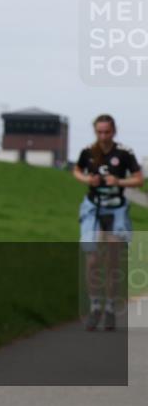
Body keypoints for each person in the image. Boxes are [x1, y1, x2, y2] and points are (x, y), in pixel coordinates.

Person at [72, 114, 143, 331]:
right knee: (92, 258)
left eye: (107, 132)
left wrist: (118, 181)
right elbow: (76, 171)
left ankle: (110, 307)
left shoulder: (124, 153)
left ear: (114, 131)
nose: (103, 136)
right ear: (95, 131)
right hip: (93, 207)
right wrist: (88, 179)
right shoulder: (88, 151)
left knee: (113, 259)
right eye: (99, 132)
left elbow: (139, 179)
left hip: (116, 209)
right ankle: (95, 306)